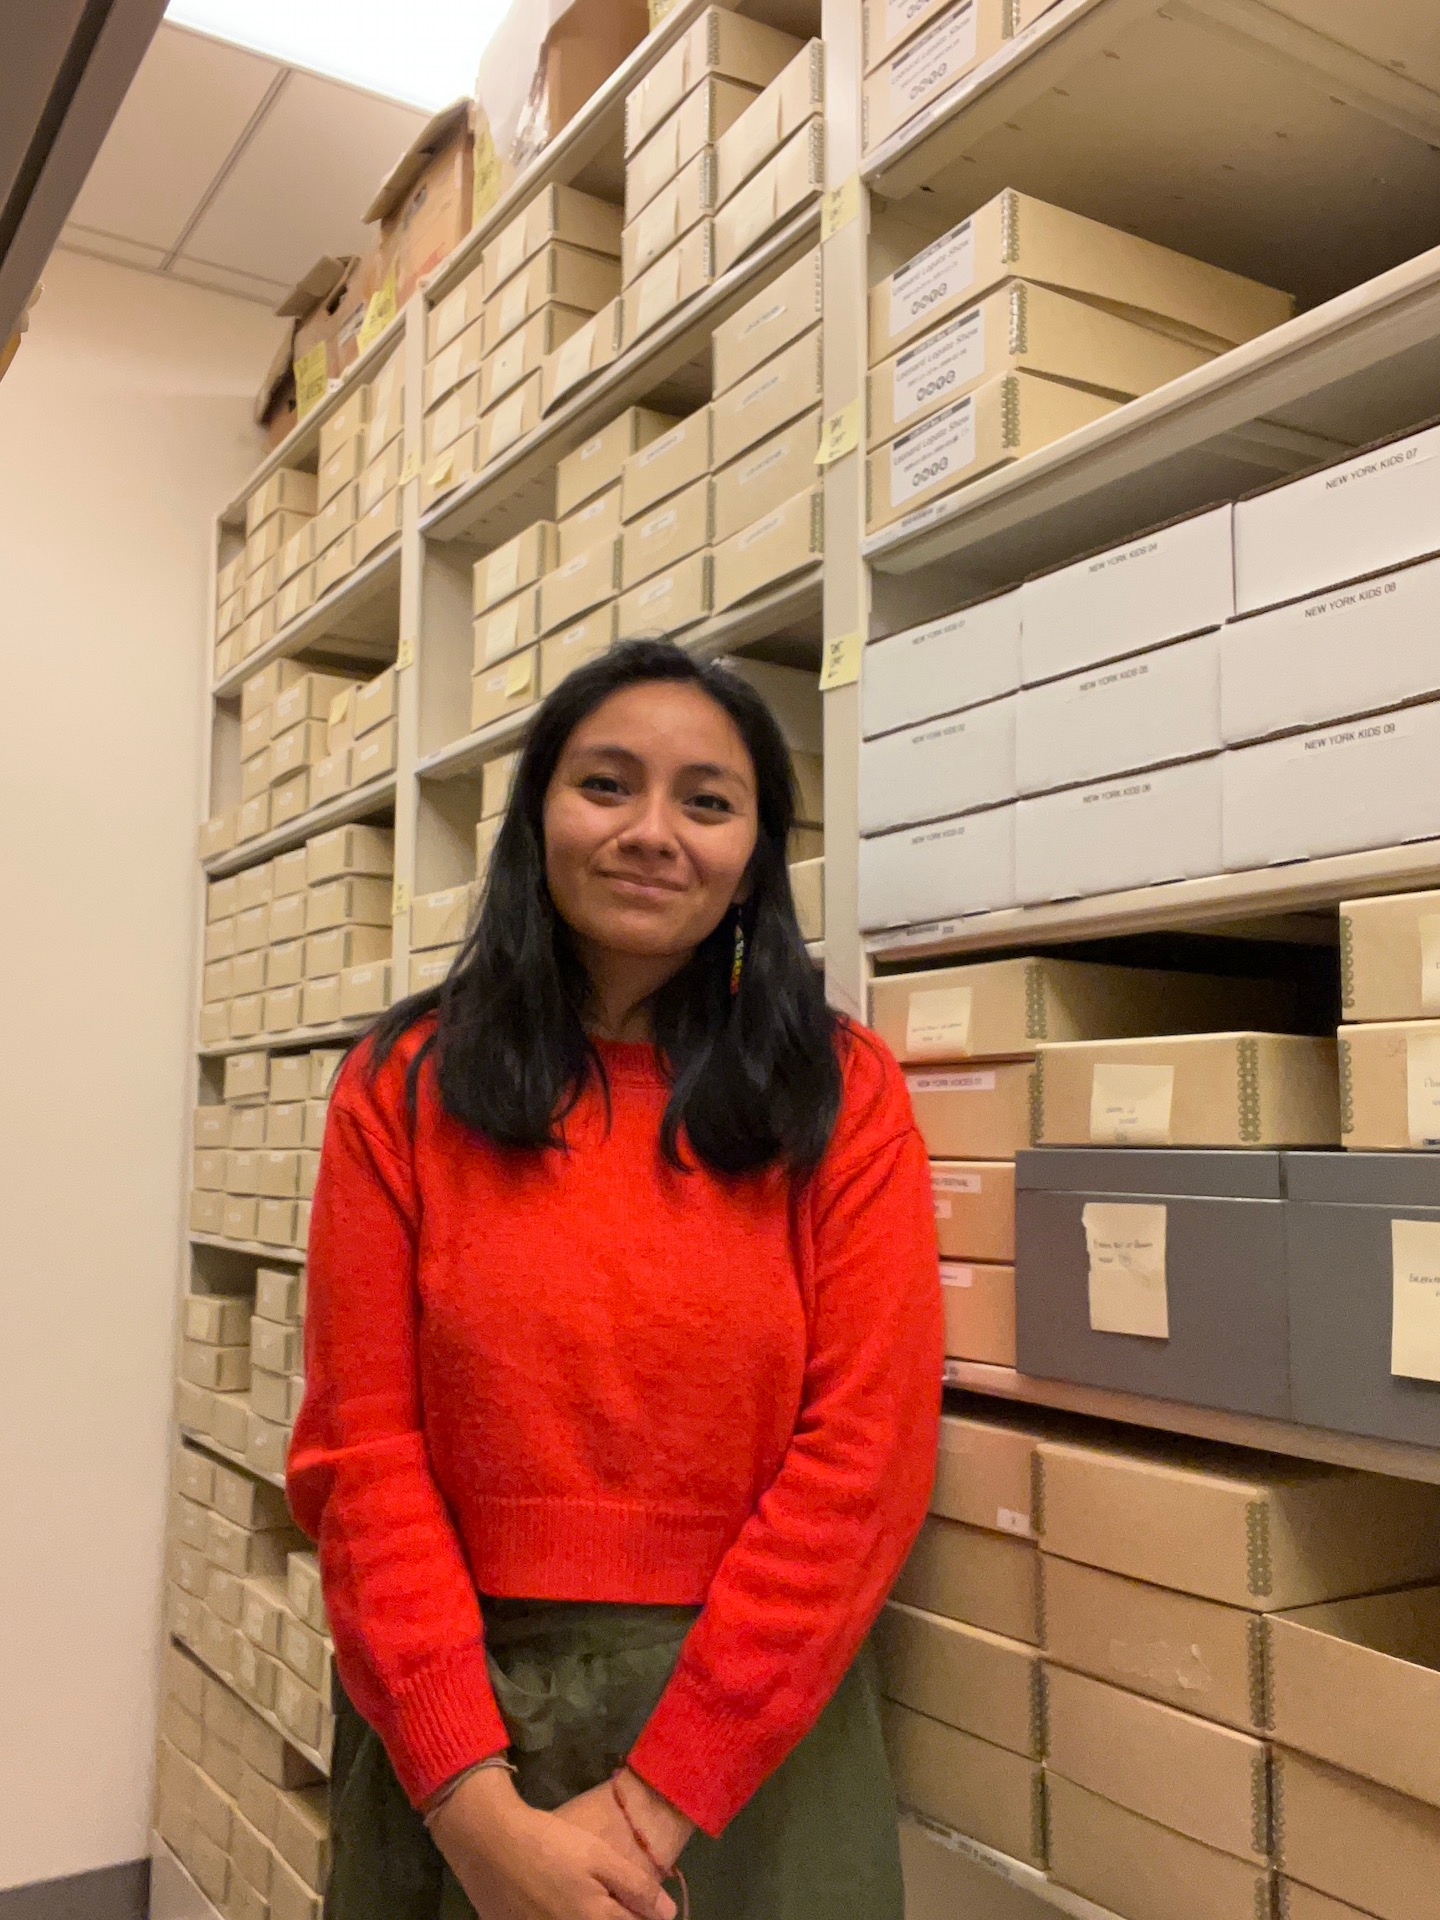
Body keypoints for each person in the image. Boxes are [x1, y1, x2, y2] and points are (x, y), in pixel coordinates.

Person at [287, 638, 943, 1920]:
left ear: (756, 856)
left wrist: (657, 1799)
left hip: (750, 1739)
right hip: (452, 1723)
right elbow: (361, 1459)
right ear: (537, 816)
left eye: (707, 802)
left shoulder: (840, 1093)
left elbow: (866, 1459)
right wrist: (474, 1812)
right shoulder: (401, 1088)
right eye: (606, 785)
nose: (654, 833)